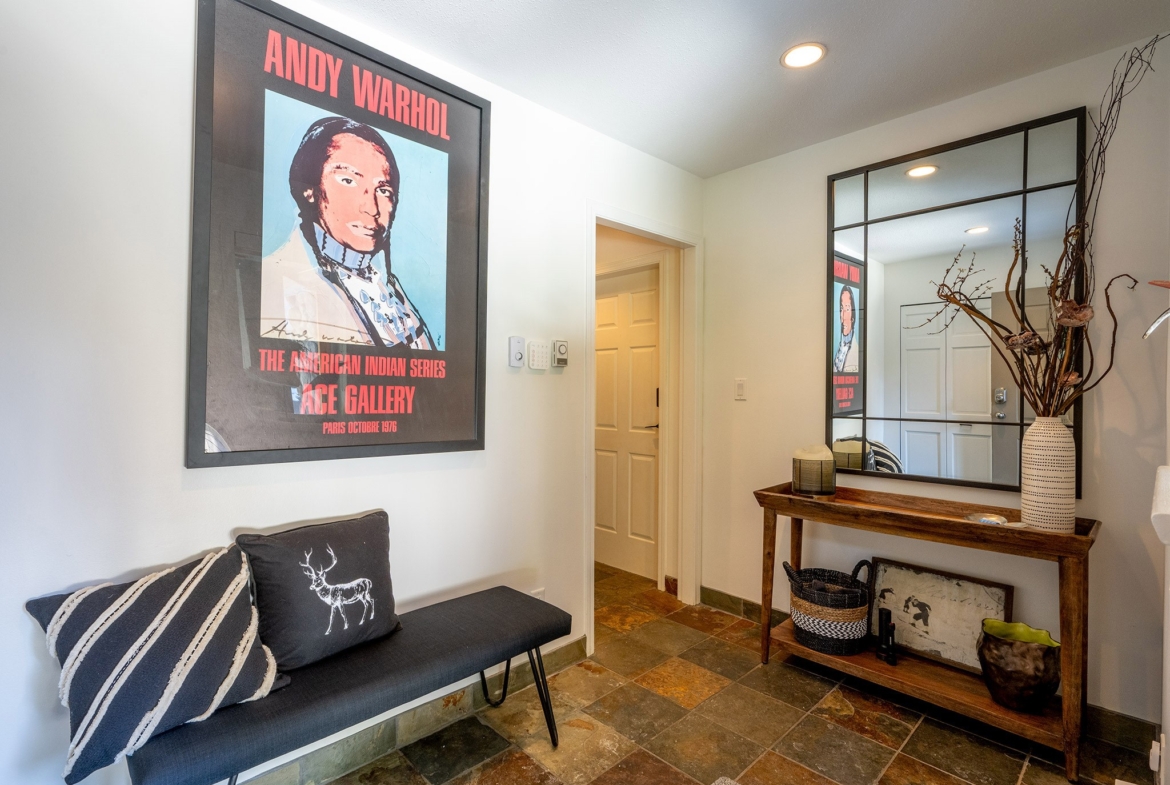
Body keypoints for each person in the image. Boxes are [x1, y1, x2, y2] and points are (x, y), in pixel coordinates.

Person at [261, 116, 433, 349]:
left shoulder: (389, 285)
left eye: (383, 190)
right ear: (309, 190)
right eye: (348, 181)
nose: (372, 208)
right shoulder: (273, 282)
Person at [833, 286, 858, 372]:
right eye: (841, 308)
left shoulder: (855, 356)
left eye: (847, 309)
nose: (842, 316)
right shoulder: (840, 349)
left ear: (853, 317)